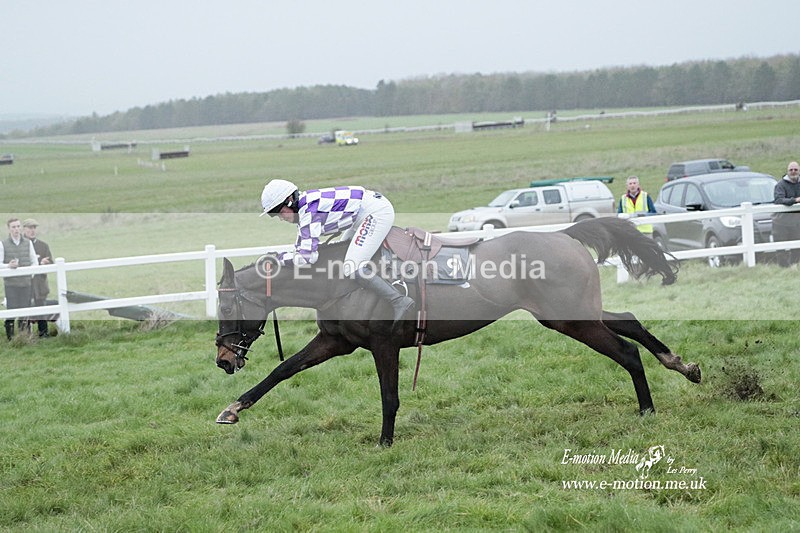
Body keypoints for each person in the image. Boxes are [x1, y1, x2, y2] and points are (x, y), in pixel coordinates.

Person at [260, 179, 415, 329]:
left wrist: (279, 260)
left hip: (375, 212)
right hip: (362, 212)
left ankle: (399, 300)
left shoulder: (308, 211)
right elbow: (301, 249)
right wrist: (281, 257)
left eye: (279, 212)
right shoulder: (304, 207)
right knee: (339, 254)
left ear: (289, 200)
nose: (281, 218)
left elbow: (307, 258)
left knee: (352, 267)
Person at [1, 218, 39, 340]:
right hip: (11, 284)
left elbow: (34, 262)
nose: (16, 229)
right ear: (9, 229)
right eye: (13, 227)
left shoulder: (28, 243)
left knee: (25, 311)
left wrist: (29, 274)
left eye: (18, 226)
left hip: (26, 283)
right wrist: (8, 266)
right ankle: (11, 338)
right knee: (12, 311)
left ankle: (25, 338)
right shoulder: (2, 244)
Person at [23, 219, 53, 337]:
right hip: (25, 283)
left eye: (34, 227)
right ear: (24, 229)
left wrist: (46, 263)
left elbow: (51, 262)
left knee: (41, 307)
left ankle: (43, 333)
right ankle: (25, 335)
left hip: (40, 283)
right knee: (25, 308)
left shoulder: (43, 246)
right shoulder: (21, 245)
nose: (32, 230)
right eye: (30, 228)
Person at [772, 161, 800, 267]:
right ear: (787, 171)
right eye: (791, 170)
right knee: (781, 249)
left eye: (795, 170)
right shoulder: (780, 185)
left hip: (797, 222)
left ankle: (795, 268)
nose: (793, 172)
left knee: (797, 248)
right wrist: (795, 200)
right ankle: (783, 270)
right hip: (781, 222)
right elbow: (779, 200)